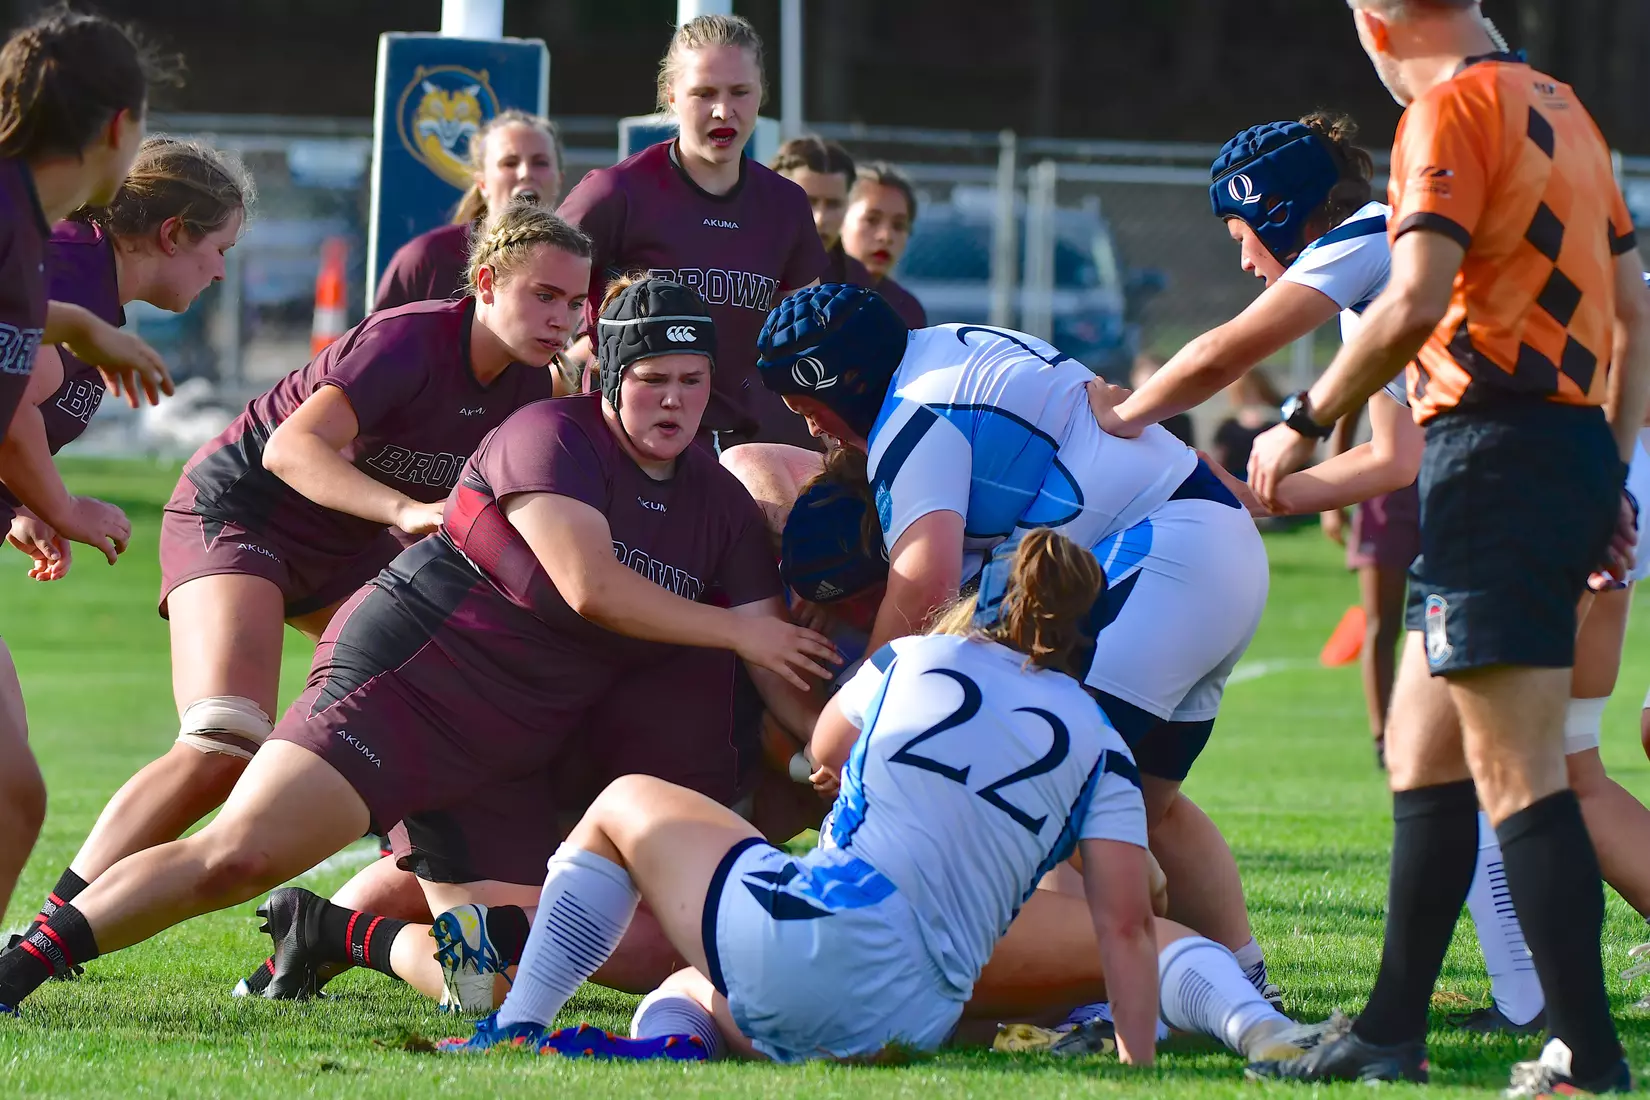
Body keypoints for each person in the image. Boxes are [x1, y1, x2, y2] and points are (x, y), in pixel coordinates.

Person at [0, 276, 839, 1018]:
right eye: (652, 381)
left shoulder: (719, 509)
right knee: (236, 857)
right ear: (612, 381)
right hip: (410, 686)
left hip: (504, 757)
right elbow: (592, 588)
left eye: (692, 383)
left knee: (495, 988)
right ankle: (25, 962)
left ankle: (335, 931)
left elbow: (775, 658)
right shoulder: (552, 435)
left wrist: (834, 751)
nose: (673, 402)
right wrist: (738, 628)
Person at [438, 530, 1299, 1068]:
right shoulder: (1101, 740)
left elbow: (821, 750)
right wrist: (1136, 1064)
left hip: (800, 940)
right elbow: (1130, 919)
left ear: (983, 601)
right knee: (1161, 934)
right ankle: (1255, 1027)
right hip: (913, 1010)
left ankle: (523, 1026)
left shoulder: (912, 660)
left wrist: (845, 771)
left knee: (628, 808)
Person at [1244, 3, 1650, 1092]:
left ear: (1376, 27)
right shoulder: (1564, 108)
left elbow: (1417, 295)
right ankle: (1389, 1028)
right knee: (1422, 749)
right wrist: (1606, 467)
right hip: (1558, 445)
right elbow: (1632, 318)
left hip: (1495, 454)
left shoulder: (1448, 108)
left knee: (1526, 774)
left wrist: (1301, 415)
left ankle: (1587, 1057)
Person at [11, 202, 590, 953]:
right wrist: (405, 510)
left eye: (575, 302)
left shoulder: (540, 389)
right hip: (242, 510)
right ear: (485, 282)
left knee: (452, 699)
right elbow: (290, 451)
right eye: (543, 295)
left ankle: (345, 935)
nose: (561, 317)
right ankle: (46, 933)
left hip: (345, 543)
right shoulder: (411, 339)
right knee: (226, 738)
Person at [754, 284, 1279, 1007]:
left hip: (1163, 557)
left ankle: (1084, 1003)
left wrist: (866, 719)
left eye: (804, 400)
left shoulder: (911, 415)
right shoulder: (943, 351)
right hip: (1208, 552)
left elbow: (922, 585)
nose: (806, 422)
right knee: (1148, 810)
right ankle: (1243, 980)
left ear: (840, 378)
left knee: (1047, 796)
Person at [1087, 111, 1408, 763]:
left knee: (1470, 758)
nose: (1243, 259)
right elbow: (1395, 458)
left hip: (1580, 443)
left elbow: (1220, 354)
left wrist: (1126, 415)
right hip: (1599, 446)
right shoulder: (1381, 283)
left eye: (1243, 234)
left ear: (1279, 213)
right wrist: (1259, 496)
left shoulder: (1363, 238)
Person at [0, 7, 179, 931]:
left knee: (12, 792)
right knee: (10, 795)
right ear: (119, 127)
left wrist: (87, 329)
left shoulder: (28, 225)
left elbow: (19, 346)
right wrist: (61, 505)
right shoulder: (18, 225)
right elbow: (12, 402)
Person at [556, 13, 827, 449]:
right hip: (627, 446)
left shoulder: (786, 203)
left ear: (761, 95)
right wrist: (565, 363)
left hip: (746, 443)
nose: (724, 110)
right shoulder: (615, 192)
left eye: (740, 92)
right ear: (672, 96)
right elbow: (535, 288)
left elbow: (807, 339)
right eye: (704, 93)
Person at [2, 137, 253, 584]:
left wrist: (25, 500)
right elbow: (8, 405)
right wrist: (63, 507)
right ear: (172, 233)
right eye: (221, 249)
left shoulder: (89, 282)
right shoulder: (67, 272)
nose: (221, 273)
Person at [373, 110, 563, 312]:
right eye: (510, 163)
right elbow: (377, 340)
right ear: (482, 183)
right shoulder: (427, 259)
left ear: (559, 179)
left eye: (540, 162)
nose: (526, 173)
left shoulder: (579, 264)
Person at [840, 162, 927, 328]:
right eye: (871, 220)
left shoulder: (907, 310)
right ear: (840, 220)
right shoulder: (805, 294)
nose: (886, 236)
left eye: (899, 225)